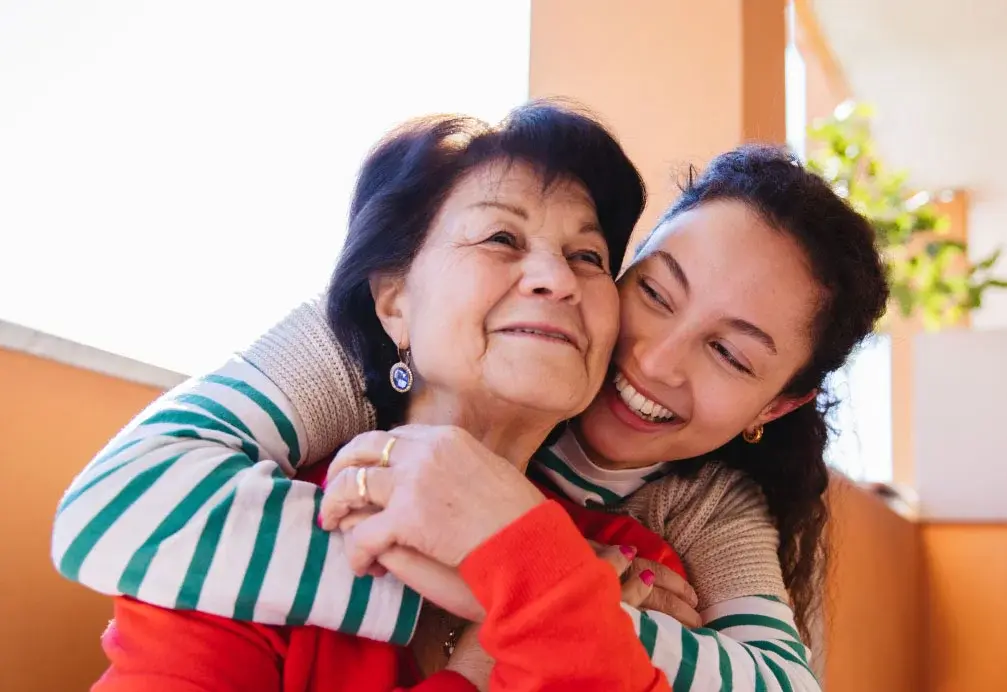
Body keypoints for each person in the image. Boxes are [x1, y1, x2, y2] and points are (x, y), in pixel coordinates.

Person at [52, 111, 888, 690]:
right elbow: (117, 504)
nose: (654, 356)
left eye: (586, 255)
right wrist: (539, 592)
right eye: (656, 291)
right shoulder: (340, 375)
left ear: (771, 410)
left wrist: (520, 569)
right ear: (392, 301)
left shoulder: (681, 533)